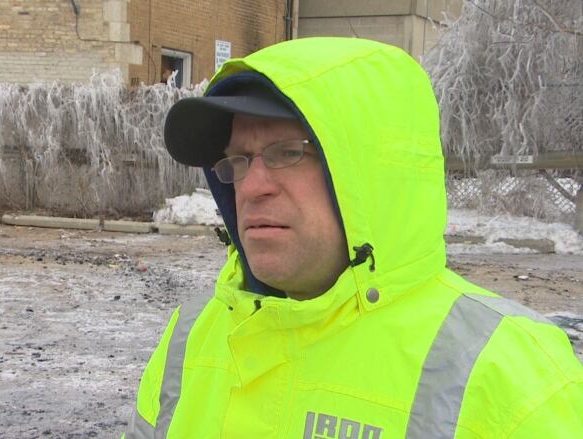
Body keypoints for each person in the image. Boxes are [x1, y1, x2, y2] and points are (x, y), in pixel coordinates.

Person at [123, 37, 583, 438]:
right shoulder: (192, 339)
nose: (252, 185)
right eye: (239, 159)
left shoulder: (515, 375)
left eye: (287, 153)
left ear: (373, 175)